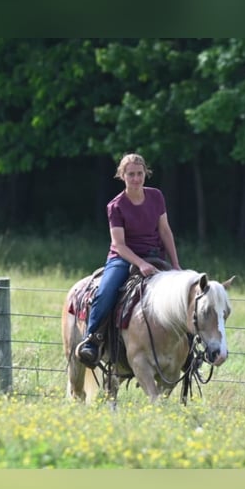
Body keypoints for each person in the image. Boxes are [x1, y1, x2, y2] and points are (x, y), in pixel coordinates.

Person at [76, 153, 181, 367]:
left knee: (182, 295)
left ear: (146, 174)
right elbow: (119, 244)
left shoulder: (156, 197)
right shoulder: (116, 206)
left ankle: (187, 351)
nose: (136, 178)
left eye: (140, 174)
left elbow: (165, 231)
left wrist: (176, 265)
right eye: (131, 174)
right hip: (123, 258)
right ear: (122, 176)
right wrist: (140, 264)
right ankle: (93, 339)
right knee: (106, 292)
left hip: (154, 256)